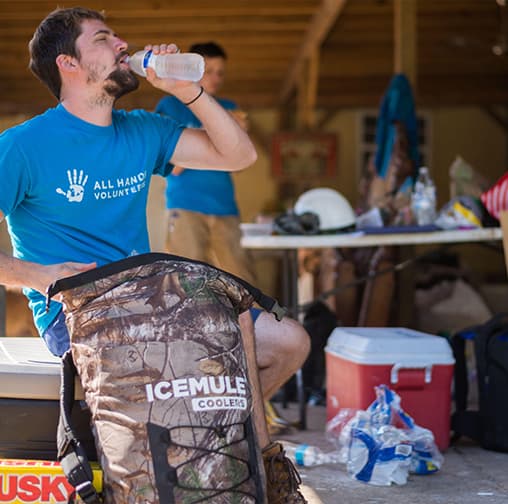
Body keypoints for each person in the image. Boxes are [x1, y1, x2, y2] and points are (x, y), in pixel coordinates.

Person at [0, 8, 309, 503]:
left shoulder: (143, 129)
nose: (122, 44)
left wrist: (188, 90)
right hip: (76, 312)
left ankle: (219, 449)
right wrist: (34, 273)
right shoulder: (21, 147)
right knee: (219, 325)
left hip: (150, 302)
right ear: (69, 64)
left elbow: (239, 156)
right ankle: (246, 467)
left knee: (289, 340)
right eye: (103, 39)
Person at [155, 41, 257, 285]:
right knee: (187, 284)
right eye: (208, 70)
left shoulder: (230, 107)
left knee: (242, 283)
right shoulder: (170, 107)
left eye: (221, 72)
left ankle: (246, 324)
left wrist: (239, 139)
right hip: (185, 206)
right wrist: (219, 130)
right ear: (191, 68)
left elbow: (241, 165)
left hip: (226, 208)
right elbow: (174, 166)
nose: (216, 78)